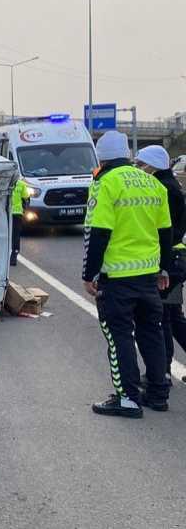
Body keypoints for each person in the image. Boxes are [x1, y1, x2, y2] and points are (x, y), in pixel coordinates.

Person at [82, 131, 172, 418]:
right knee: (151, 334)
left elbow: (98, 233)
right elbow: (165, 232)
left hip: (118, 278)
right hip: (148, 275)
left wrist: (89, 273)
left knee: (119, 336)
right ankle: (158, 394)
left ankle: (128, 399)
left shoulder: (105, 183)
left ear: (101, 157)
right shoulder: (152, 182)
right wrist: (164, 268)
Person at [135, 145, 186, 380]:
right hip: (176, 259)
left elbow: (167, 230)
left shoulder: (163, 188)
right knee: (172, 317)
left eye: (140, 164)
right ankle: (162, 370)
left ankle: (162, 371)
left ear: (152, 165)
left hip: (172, 261)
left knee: (165, 318)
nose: (138, 169)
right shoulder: (170, 185)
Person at [10, 178, 31, 266]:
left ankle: (8, 255)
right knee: (15, 235)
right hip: (17, 213)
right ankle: (14, 255)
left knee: (6, 235)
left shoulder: (3, 182)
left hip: (5, 214)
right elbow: (26, 197)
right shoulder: (21, 184)